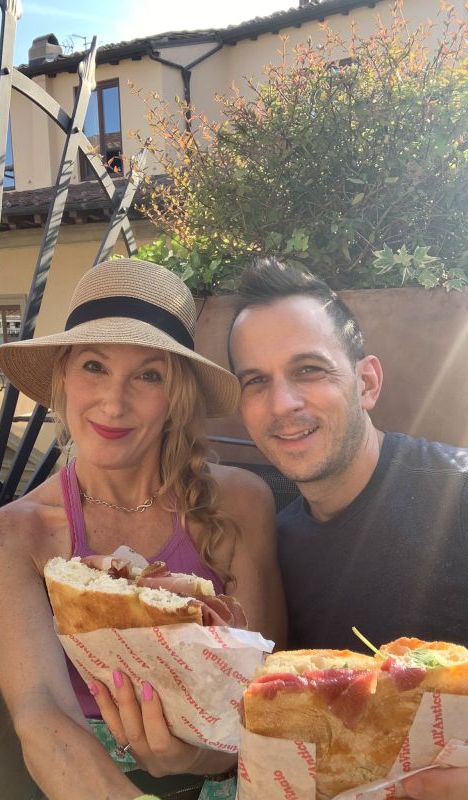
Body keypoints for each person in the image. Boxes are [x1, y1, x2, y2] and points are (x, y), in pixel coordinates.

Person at [0, 258, 286, 800]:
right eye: (94, 366)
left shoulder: (242, 504)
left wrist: (201, 758)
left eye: (147, 375)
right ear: (63, 376)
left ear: (176, 398)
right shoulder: (9, 540)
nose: (113, 403)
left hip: (238, 774)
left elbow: (264, 693)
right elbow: (42, 716)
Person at [227, 256, 468, 800]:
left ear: (366, 382)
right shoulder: (277, 544)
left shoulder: (458, 496)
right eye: (256, 381)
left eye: (309, 370)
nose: (282, 403)